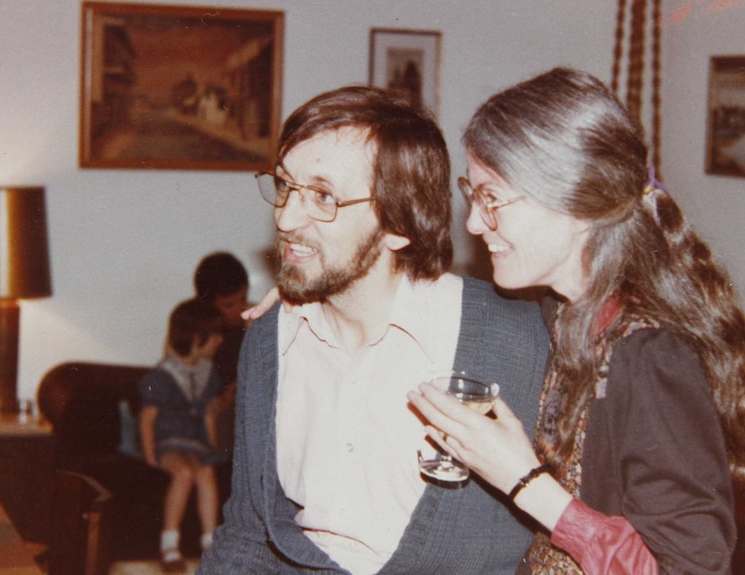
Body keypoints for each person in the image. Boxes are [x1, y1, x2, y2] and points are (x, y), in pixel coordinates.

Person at [408, 67, 745, 575]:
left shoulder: (650, 355)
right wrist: (317, 298)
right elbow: (450, 301)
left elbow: (692, 567)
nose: (473, 223)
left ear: (576, 201)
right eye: (473, 196)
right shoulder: (556, 311)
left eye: (491, 198)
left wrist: (522, 480)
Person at [199, 85, 549, 575]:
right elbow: (247, 535)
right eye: (284, 186)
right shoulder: (268, 340)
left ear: (398, 225)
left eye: (323, 196)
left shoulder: (516, 340)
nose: (286, 217)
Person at [138, 298, 226, 572]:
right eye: (216, 336)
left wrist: (211, 448)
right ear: (198, 338)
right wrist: (150, 455)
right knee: (185, 472)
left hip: (195, 443)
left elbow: (208, 414)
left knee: (205, 472)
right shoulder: (163, 375)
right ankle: (169, 545)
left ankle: (211, 543)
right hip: (169, 441)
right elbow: (147, 418)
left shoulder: (206, 373)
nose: (221, 341)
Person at [194, 251, 250, 455]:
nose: (239, 309)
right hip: (205, 405)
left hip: (237, 401)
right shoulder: (197, 329)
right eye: (228, 305)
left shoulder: (249, 322)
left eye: (243, 298)